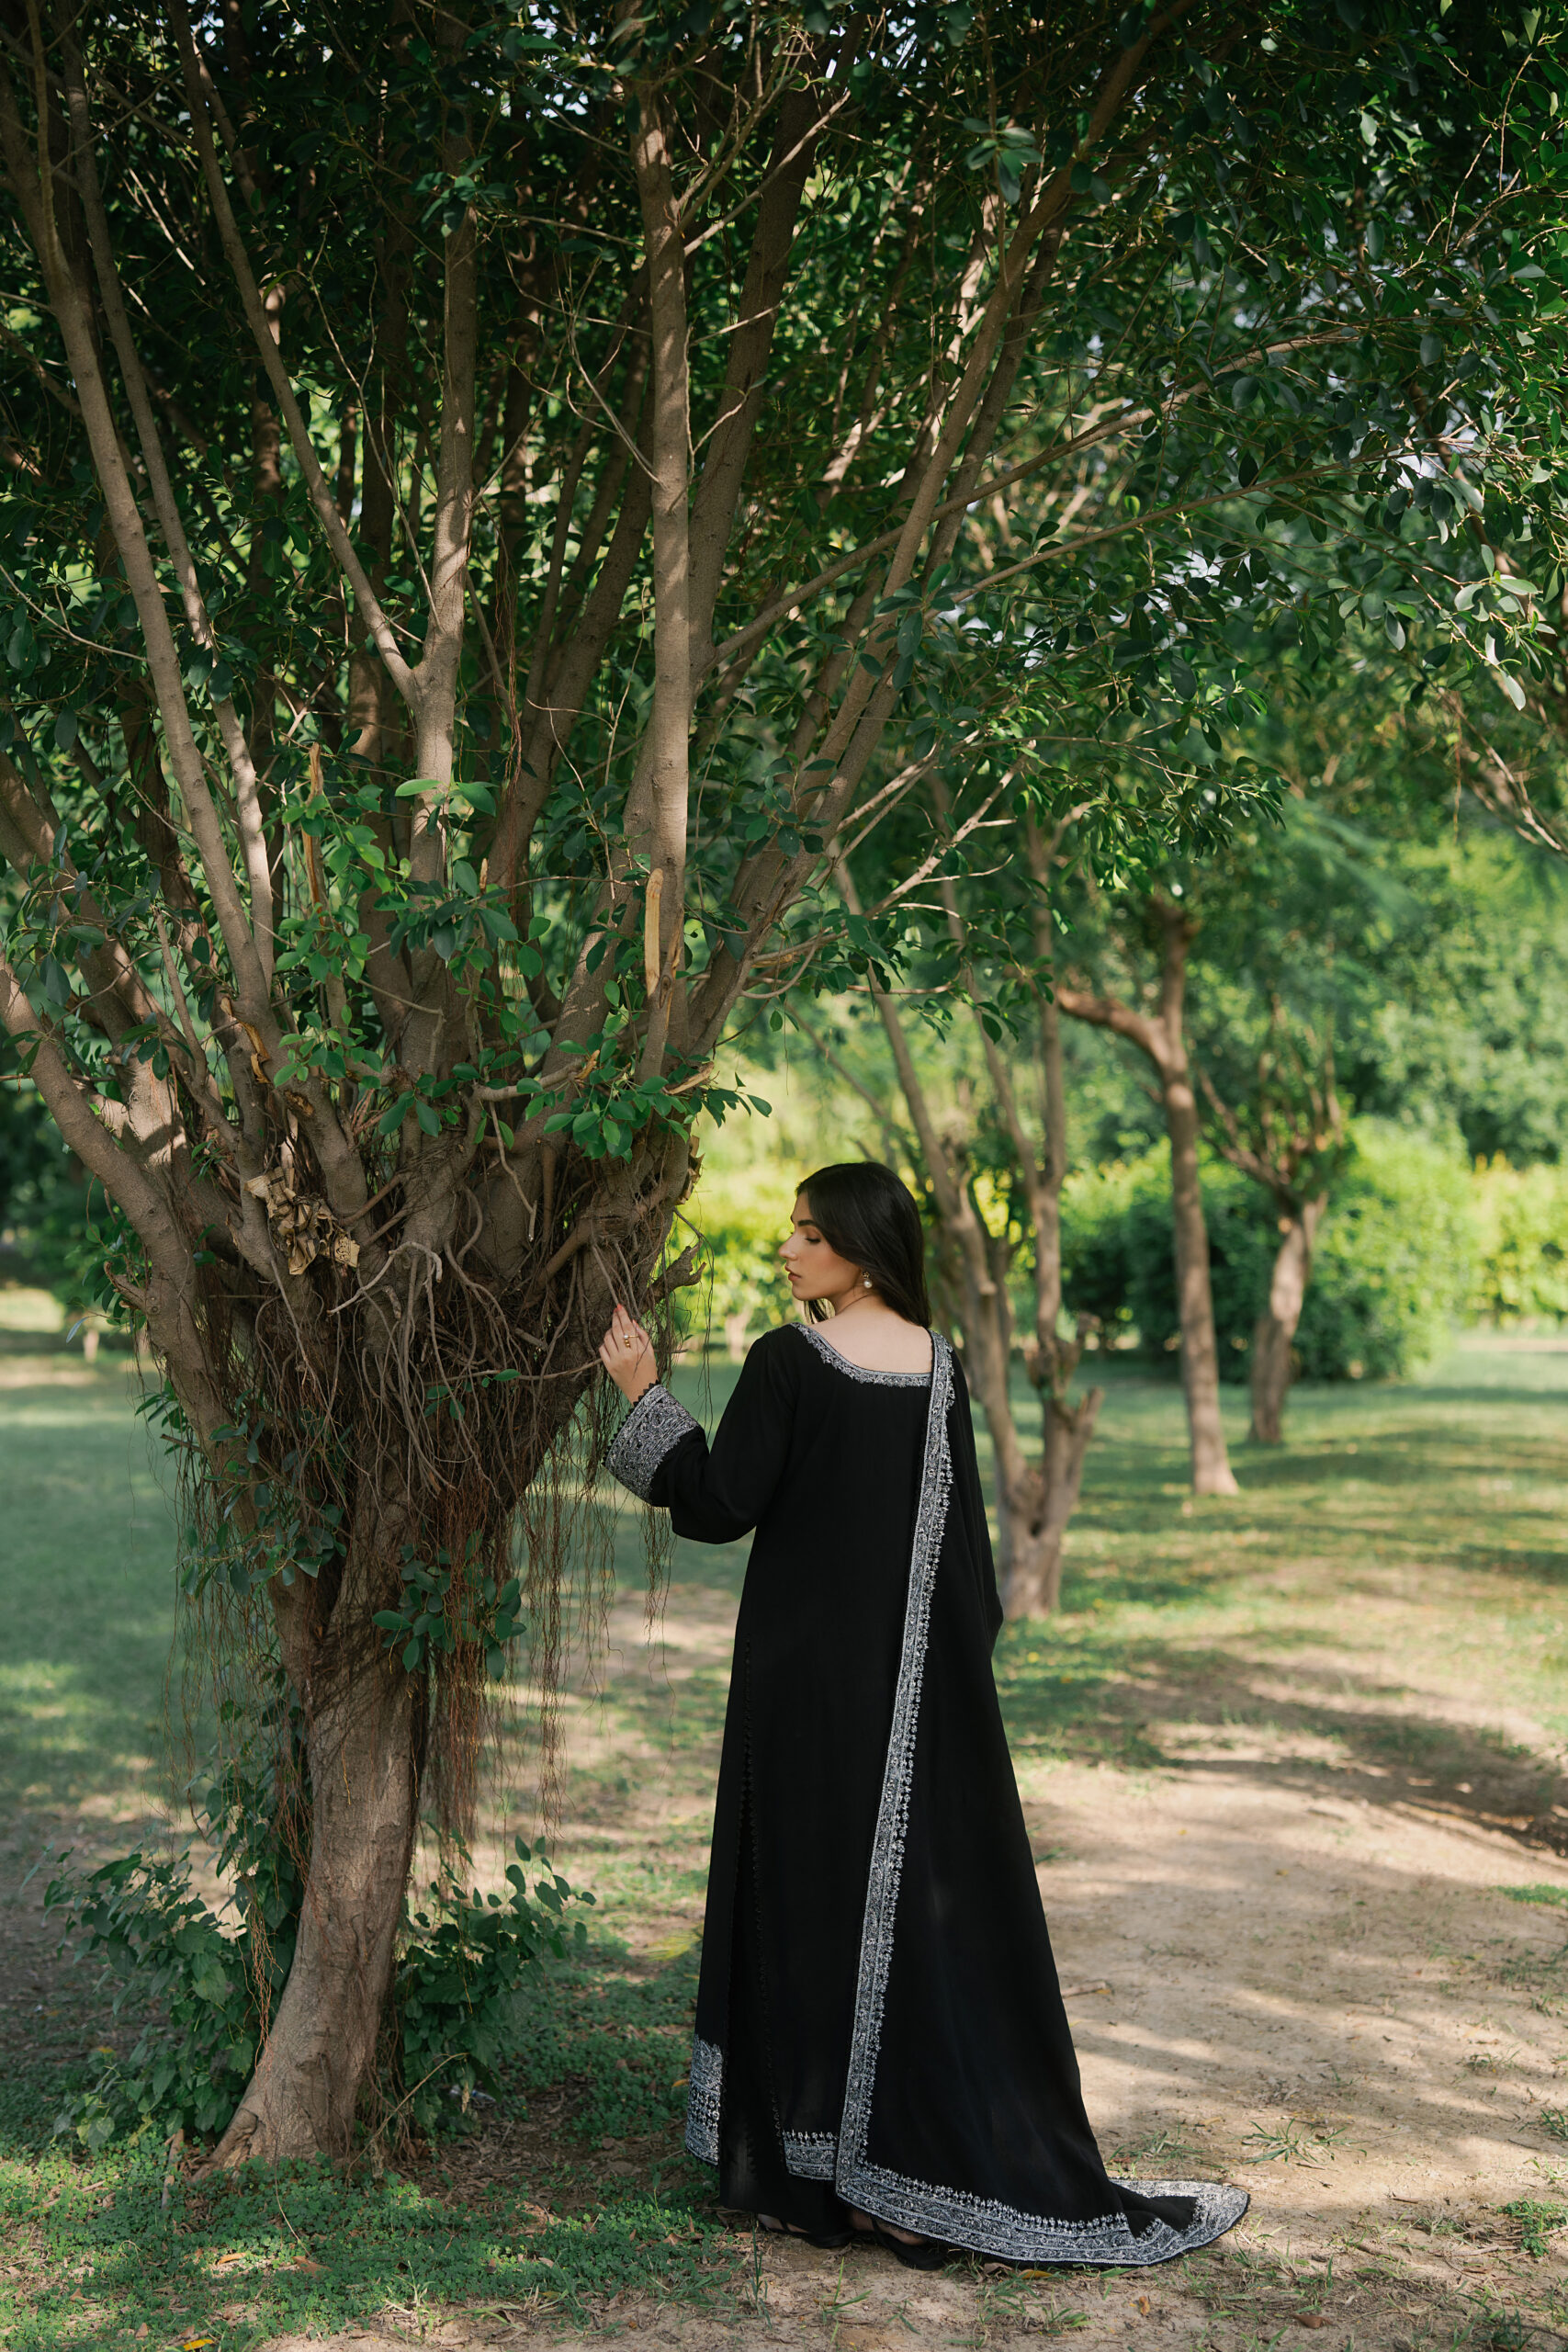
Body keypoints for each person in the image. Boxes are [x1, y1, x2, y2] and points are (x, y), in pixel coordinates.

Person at [598, 1159, 1246, 2268]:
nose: (789, 1248)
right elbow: (965, 1568)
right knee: (894, 1923)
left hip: (800, 1693)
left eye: (811, 1233)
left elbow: (717, 1503)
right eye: (793, 1230)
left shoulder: (788, 1360)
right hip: (909, 1698)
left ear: (861, 1248)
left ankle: (822, 2178)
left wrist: (642, 1392)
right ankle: (890, 2177)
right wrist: (939, 1704)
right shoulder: (941, 1370)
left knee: (804, 1903)